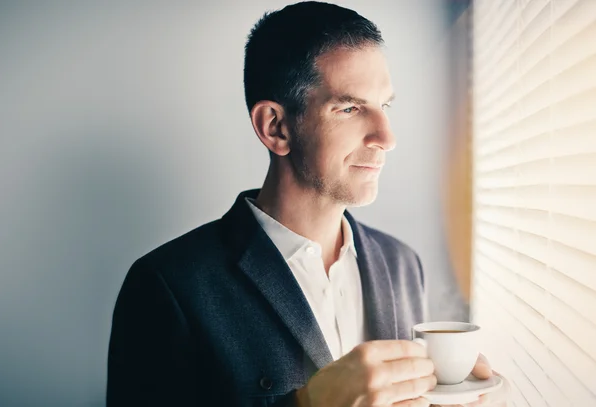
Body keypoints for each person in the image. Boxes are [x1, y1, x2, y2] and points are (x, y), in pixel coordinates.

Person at [106, 2, 504, 406]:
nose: (386, 136)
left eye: (385, 106)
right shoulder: (168, 286)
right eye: (349, 108)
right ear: (275, 127)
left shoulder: (402, 264)